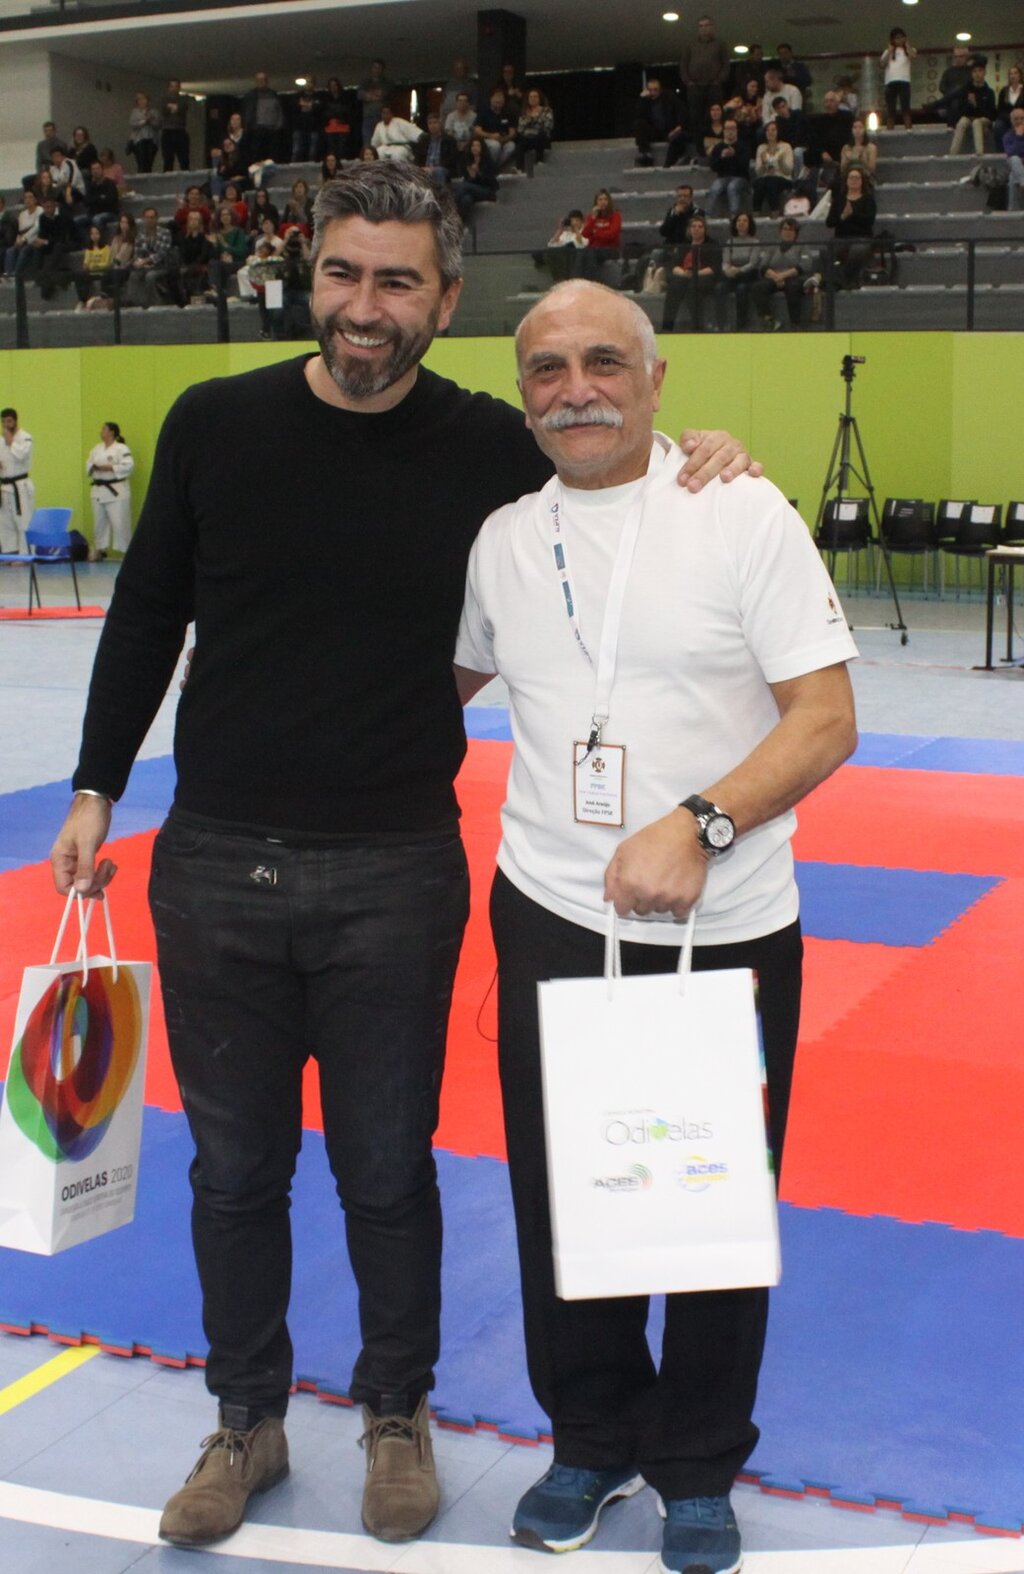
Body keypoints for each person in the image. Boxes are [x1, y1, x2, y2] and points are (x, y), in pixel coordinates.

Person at [49, 159, 759, 1555]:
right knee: (232, 1171)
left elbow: (613, 466)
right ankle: (245, 1417)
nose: (363, 306)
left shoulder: (491, 444)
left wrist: (707, 454)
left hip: (394, 867)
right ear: (307, 275)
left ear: (442, 298)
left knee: (386, 1168)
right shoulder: (212, 423)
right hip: (215, 860)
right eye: (341, 273)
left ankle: (395, 1410)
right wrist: (94, 784)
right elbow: (145, 614)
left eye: (395, 281)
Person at [452, 277, 857, 1574]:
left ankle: (697, 1459)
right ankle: (591, 1436)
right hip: (550, 909)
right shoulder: (503, 538)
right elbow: (430, 682)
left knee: (708, 1204)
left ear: (656, 378)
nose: (576, 389)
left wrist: (701, 823)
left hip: (723, 923)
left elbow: (825, 716)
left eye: (603, 362)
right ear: (523, 391)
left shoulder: (739, 511)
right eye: (548, 368)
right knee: (563, 1198)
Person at [662, 213, 721, 331]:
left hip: (704, 276)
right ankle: (667, 327)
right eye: (693, 226)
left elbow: (715, 267)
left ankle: (697, 328)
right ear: (689, 229)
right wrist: (684, 273)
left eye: (700, 226)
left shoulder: (712, 245)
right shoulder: (684, 244)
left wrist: (695, 274)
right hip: (685, 275)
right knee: (674, 286)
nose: (696, 229)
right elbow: (674, 265)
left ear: (705, 230)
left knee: (692, 287)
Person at [750, 217, 811, 330]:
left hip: (793, 278)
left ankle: (795, 324)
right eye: (785, 229)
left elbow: (805, 265)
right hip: (774, 277)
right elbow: (763, 266)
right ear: (780, 231)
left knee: (793, 287)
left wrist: (783, 275)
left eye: (791, 230)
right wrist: (775, 276)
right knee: (757, 287)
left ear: (796, 232)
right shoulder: (773, 246)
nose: (787, 232)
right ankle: (770, 320)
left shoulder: (802, 246)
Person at [679, 14, 730, 146]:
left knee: (715, 114)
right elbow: (683, 64)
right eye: (701, 26)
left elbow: (726, 64)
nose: (704, 28)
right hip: (695, 86)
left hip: (714, 86)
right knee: (696, 116)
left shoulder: (720, 44)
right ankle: (698, 145)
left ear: (712, 27)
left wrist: (719, 80)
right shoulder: (690, 45)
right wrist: (688, 82)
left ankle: (716, 143)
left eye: (707, 25)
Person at [86, 422, 134, 557]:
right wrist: (95, 467)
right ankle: (100, 550)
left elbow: (129, 465)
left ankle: (127, 553)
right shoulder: (96, 449)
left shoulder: (121, 448)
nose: (101, 431)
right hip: (98, 490)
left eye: (104, 429)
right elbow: (89, 464)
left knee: (120, 523)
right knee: (98, 523)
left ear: (112, 432)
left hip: (116, 491)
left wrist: (110, 467)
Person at [825, 167, 876, 289]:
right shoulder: (839, 200)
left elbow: (869, 220)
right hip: (841, 237)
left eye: (857, 178)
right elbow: (829, 222)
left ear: (862, 181)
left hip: (862, 237)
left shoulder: (868, 199)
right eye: (851, 177)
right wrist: (842, 216)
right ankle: (835, 281)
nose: (854, 180)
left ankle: (847, 280)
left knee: (857, 251)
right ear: (846, 180)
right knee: (826, 251)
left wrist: (852, 214)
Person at [716, 210, 764, 329]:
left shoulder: (755, 242)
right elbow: (725, 262)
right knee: (720, 287)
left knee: (741, 289)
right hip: (731, 275)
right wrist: (727, 270)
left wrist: (738, 270)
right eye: (739, 220)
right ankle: (721, 323)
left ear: (749, 224)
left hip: (747, 275)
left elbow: (752, 263)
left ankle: (741, 325)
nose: (741, 223)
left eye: (745, 221)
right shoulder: (730, 242)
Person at [633, 77, 688, 168]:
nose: (653, 93)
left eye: (655, 90)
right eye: (650, 90)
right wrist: (641, 99)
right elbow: (638, 115)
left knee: (680, 136)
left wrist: (679, 127)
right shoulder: (645, 100)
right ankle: (645, 154)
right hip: (654, 131)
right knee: (639, 124)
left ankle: (670, 163)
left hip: (669, 130)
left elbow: (682, 111)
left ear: (660, 90)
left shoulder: (669, 97)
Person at [0, 408, 34, 553]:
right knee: (5, 522)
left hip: (20, 486)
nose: (6, 425)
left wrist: (11, 442)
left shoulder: (25, 437)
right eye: (3, 422)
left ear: (15, 421)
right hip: (5, 486)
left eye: (9, 421)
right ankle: (10, 553)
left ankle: (26, 554)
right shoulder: (0, 441)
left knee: (23, 521)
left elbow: (22, 455)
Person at [706, 119, 752, 217]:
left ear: (736, 130)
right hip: (723, 177)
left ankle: (734, 216)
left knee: (732, 187)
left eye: (733, 128)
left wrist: (734, 155)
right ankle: (707, 215)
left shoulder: (744, 146)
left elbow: (744, 165)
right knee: (714, 188)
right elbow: (713, 167)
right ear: (724, 131)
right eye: (728, 129)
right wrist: (722, 157)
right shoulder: (718, 147)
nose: (730, 131)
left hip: (741, 178)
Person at [951, 62, 996, 156]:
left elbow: (992, 114)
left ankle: (979, 154)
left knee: (976, 122)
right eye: (974, 71)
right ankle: (953, 154)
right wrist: (970, 105)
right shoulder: (965, 90)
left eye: (980, 71)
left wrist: (975, 105)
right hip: (968, 117)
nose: (977, 74)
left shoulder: (989, 92)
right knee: (962, 122)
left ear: (984, 72)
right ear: (971, 74)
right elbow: (961, 111)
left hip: (983, 119)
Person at [752, 120, 794, 216]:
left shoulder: (786, 146)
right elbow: (758, 173)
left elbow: (788, 171)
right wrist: (763, 163)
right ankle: (756, 213)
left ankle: (775, 213)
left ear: (778, 132)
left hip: (783, 177)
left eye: (773, 130)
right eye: (767, 130)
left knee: (771, 182)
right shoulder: (761, 148)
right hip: (766, 178)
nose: (770, 132)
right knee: (759, 183)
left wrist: (780, 161)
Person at [452, 135, 497, 220]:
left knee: (464, 186)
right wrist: (471, 176)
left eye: (477, 145)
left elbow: (491, 181)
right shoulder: (468, 160)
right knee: (466, 199)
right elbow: (466, 178)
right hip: (472, 190)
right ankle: (460, 222)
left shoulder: (488, 160)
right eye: (473, 145)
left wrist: (478, 173)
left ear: (482, 148)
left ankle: (448, 208)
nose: (475, 148)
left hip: (487, 190)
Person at [244, 71, 285, 164]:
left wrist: (278, 125)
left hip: (272, 129)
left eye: (263, 80)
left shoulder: (274, 94)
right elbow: (247, 112)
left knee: (272, 154)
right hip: (257, 129)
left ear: (267, 81)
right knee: (256, 154)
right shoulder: (251, 95)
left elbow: (279, 110)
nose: (261, 82)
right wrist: (249, 125)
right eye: (259, 80)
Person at [881, 28, 916, 132]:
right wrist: (890, 51)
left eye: (902, 37)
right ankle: (889, 132)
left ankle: (909, 131)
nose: (900, 40)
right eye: (897, 38)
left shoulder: (909, 50)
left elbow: (913, 56)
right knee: (891, 110)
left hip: (904, 81)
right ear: (893, 40)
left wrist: (907, 46)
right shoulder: (888, 51)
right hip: (890, 82)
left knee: (906, 108)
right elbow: (882, 64)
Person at [475, 90, 517, 170]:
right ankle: (491, 168)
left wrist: (504, 139)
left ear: (504, 101)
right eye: (496, 97)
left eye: (501, 97)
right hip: (487, 139)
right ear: (491, 99)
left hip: (503, 139)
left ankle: (494, 167)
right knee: (495, 145)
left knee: (511, 146)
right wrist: (491, 136)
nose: (498, 99)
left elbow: (512, 133)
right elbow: (477, 130)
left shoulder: (508, 113)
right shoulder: (483, 112)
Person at [357, 59, 393, 147]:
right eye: (375, 67)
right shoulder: (365, 82)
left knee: (382, 142)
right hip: (368, 116)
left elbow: (383, 94)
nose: (376, 70)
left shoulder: (387, 82)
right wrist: (373, 95)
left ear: (382, 70)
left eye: (379, 68)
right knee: (367, 142)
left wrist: (370, 95)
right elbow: (360, 95)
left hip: (382, 117)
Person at [515, 90, 554, 170]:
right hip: (527, 138)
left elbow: (547, 125)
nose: (533, 99)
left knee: (541, 134)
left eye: (535, 96)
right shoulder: (524, 112)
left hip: (541, 137)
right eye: (530, 97)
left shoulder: (547, 110)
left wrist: (530, 121)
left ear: (539, 99)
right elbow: (521, 128)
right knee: (520, 142)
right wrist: (536, 121)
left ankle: (539, 160)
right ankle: (519, 168)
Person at [160, 79, 194, 172]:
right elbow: (164, 111)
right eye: (172, 86)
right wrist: (176, 107)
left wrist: (174, 107)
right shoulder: (164, 99)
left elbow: (183, 108)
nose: (174, 89)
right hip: (167, 131)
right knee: (168, 159)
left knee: (184, 159)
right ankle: (167, 179)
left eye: (176, 86)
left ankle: (186, 178)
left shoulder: (183, 99)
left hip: (180, 131)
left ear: (179, 88)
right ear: (168, 88)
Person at [128, 92, 160, 174]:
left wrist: (151, 120)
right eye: (139, 99)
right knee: (141, 162)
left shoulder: (153, 112)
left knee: (149, 162)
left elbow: (158, 125)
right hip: (139, 139)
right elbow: (132, 124)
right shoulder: (135, 112)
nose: (142, 101)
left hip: (151, 140)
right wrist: (144, 121)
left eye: (144, 99)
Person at [994, 64, 1024, 148]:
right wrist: (1010, 117)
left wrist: (1019, 117)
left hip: (1022, 119)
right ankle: (1001, 151)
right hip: (1006, 119)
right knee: (998, 126)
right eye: (1011, 74)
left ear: (1020, 75)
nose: (1013, 76)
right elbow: (1000, 110)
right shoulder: (1004, 91)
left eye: (1015, 73)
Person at [1003, 105, 1024, 212]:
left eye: (1022, 118)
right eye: (1016, 119)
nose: (1019, 121)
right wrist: (1019, 136)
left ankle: (1012, 211)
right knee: (1015, 159)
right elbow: (1011, 153)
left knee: (1012, 177)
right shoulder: (1007, 136)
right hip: (1017, 164)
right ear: (1011, 121)